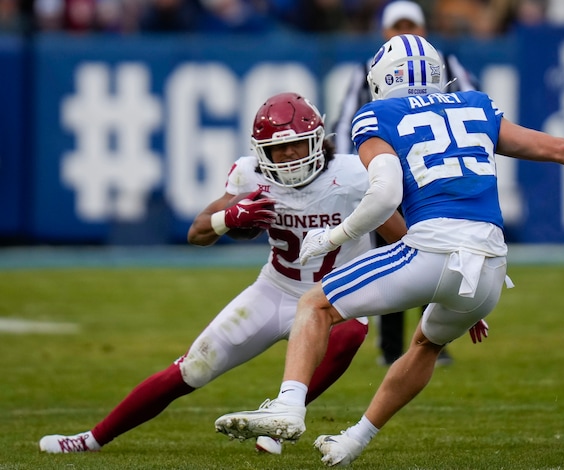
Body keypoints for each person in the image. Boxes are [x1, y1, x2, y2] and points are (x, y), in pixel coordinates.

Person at [213, 34, 564, 467]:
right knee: (426, 344)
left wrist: (331, 238)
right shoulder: (475, 106)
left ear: (381, 80)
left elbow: (384, 195)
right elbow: (558, 148)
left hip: (432, 250)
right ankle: (353, 440)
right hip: (490, 269)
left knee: (314, 303)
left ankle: (290, 407)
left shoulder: (378, 116)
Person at [37, 92, 408, 456]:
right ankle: (92, 438)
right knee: (193, 369)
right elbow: (196, 234)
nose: (289, 155)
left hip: (334, 295)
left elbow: (403, 238)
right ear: (262, 151)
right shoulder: (251, 176)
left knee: (351, 332)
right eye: (279, 149)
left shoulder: (354, 176)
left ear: (317, 141)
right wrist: (226, 219)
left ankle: (280, 417)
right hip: (276, 290)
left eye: (296, 144)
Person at [332, 0, 480, 367]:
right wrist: (355, 173)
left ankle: (435, 340)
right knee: (392, 257)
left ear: (424, 31)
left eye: (411, 26)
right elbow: (347, 120)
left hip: (434, 175)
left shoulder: (447, 65)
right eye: (397, 27)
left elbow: (472, 111)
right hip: (391, 176)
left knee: (440, 253)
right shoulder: (369, 70)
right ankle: (392, 346)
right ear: (384, 32)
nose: (405, 34)